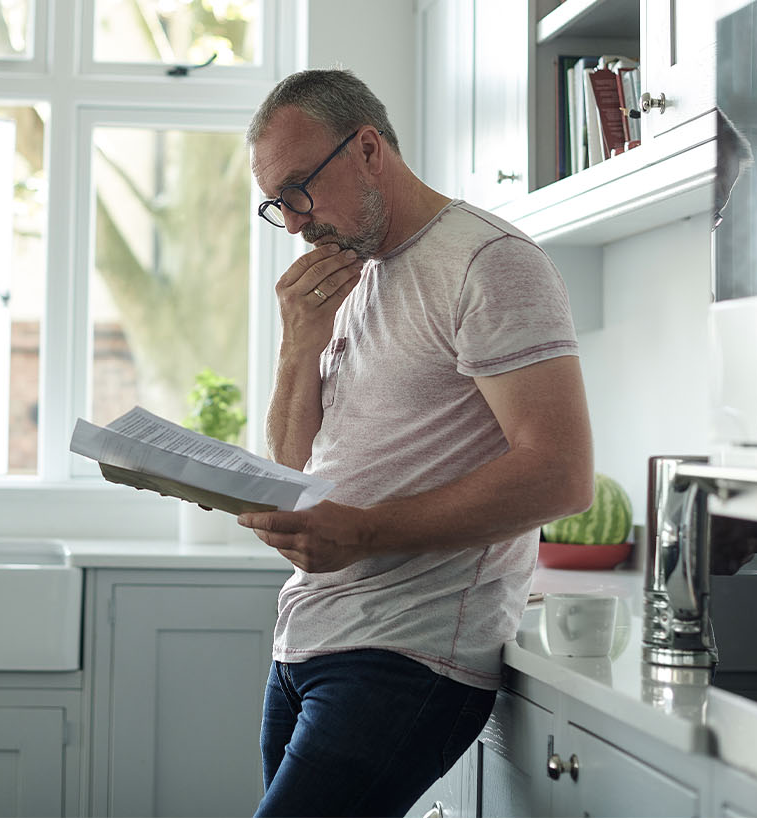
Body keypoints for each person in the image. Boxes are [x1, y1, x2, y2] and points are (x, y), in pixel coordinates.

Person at [236, 68, 595, 817]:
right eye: (278, 204)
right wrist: (299, 345)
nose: (296, 222)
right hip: (308, 636)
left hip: (410, 653)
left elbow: (561, 476)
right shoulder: (352, 274)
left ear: (368, 148)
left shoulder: (488, 263)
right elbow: (295, 466)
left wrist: (362, 531)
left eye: (301, 188)